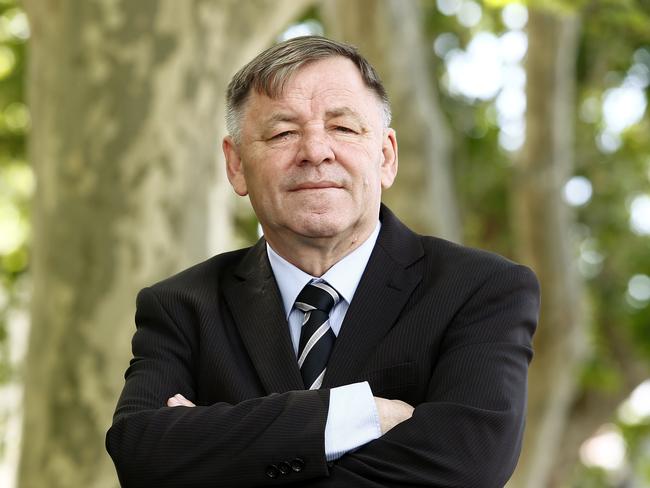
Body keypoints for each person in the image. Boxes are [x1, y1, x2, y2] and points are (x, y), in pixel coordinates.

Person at [106, 36, 540, 488]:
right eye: (282, 133)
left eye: (344, 128)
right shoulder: (181, 306)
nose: (316, 151)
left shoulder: (481, 290)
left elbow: (468, 465)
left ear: (386, 157)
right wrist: (358, 416)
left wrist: (214, 452)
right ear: (235, 166)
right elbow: (140, 452)